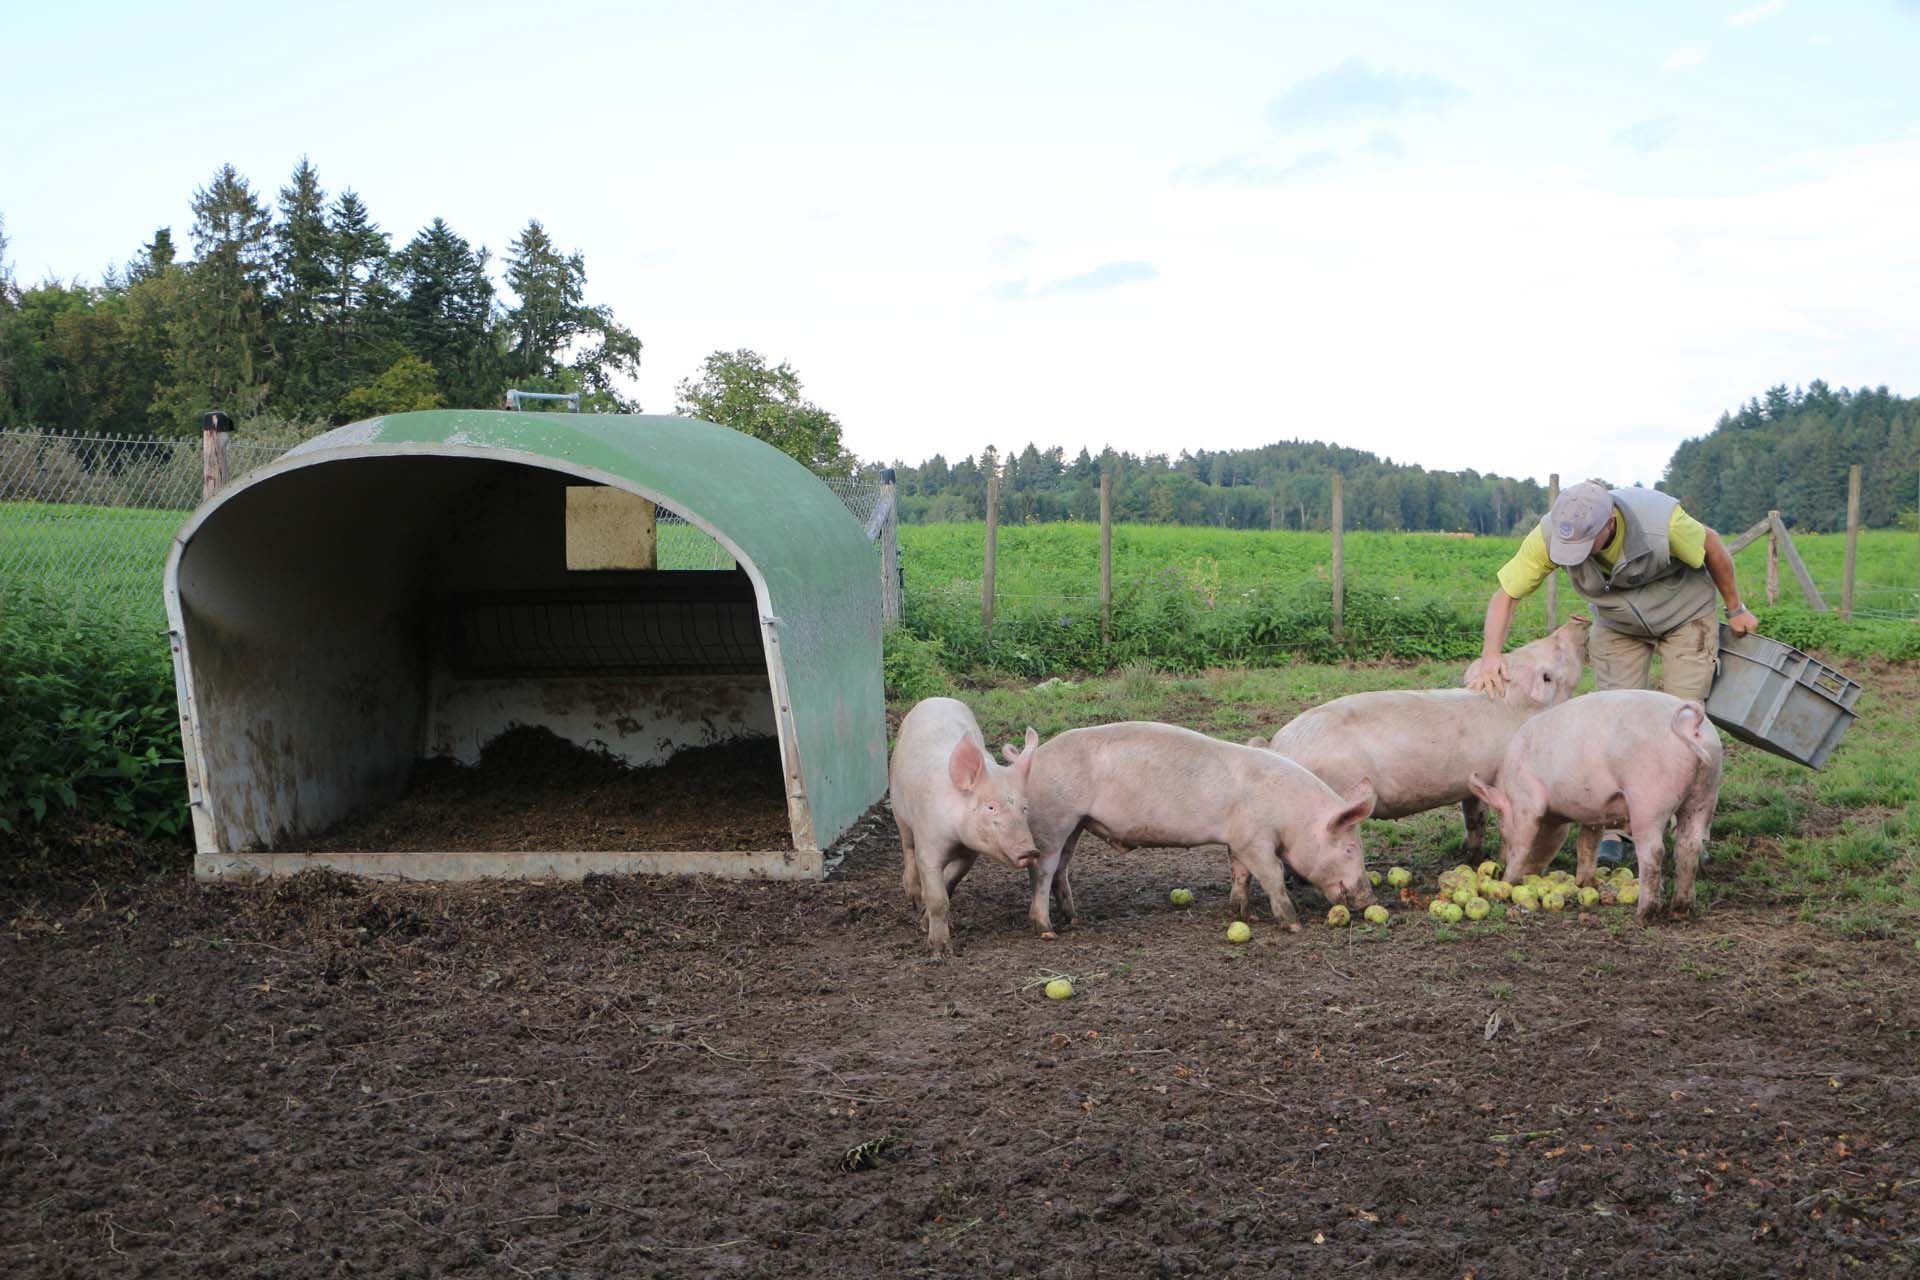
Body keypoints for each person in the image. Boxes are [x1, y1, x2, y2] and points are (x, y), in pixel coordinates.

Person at [1467, 479, 1759, 863]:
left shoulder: (1662, 523)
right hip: (1617, 622)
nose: (1575, 555)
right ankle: (1616, 829)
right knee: (1615, 721)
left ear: (1609, 523)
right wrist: (1490, 654)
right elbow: (1507, 593)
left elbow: (1713, 546)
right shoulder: (1551, 535)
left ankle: (1688, 830)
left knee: (1684, 717)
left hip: (1685, 615)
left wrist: (1736, 608)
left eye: (1584, 544)